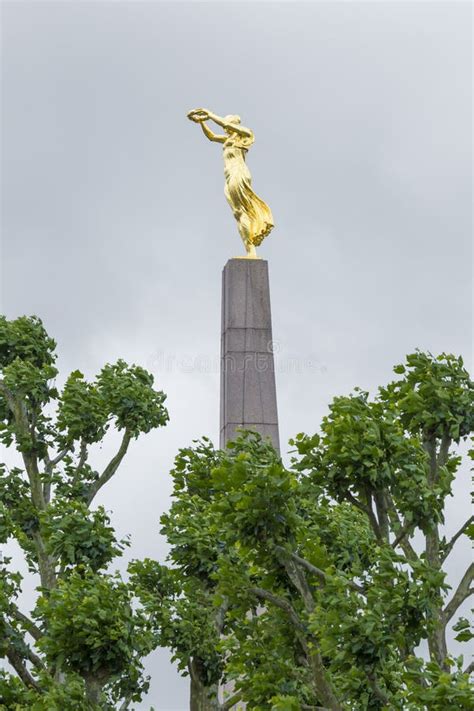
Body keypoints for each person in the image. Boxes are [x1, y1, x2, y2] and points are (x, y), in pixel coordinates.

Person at [188, 108, 274, 258]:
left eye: (228, 124)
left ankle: (251, 250)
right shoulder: (229, 140)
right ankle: (249, 249)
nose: (226, 127)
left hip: (239, 174)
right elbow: (212, 136)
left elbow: (221, 123)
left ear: (233, 124)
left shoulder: (246, 135)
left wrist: (209, 114)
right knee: (238, 213)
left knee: (242, 210)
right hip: (229, 177)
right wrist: (202, 122)